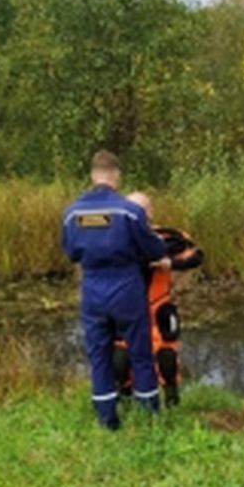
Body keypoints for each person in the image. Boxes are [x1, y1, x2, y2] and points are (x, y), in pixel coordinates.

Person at [61, 150, 167, 430]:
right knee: (140, 351)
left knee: (99, 354)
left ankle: (108, 419)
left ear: (92, 175)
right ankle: (149, 416)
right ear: (116, 176)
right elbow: (154, 248)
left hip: (93, 286)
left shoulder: (73, 213)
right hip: (126, 285)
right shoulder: (129, 212)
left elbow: (71, 252)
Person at [114, 191, 204, 407]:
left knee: (166, 358)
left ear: (151, 211)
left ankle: (172, 402)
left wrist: (169, 263)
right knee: (120, 360)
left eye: (142, 210)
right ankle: (125, 401)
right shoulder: (114, 238)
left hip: (159, 306)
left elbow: (197, 256)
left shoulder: (167, 237)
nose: (137, 215)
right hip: (126, 309)